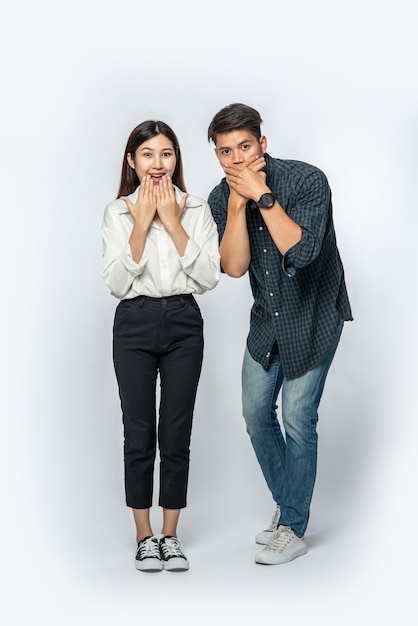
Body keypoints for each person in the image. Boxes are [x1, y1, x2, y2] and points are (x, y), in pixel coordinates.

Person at [207, 103, 352, 565]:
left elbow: (303, 252)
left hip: (314, 314)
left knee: (297, 415)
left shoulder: (308, 180)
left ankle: (291, 526)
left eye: (244, 146)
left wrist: (262, 196)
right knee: (254, 413)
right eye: (225, 152)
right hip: (267, 318)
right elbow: (233, 268)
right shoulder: (218, 196)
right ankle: (289, 502)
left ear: (262, 145)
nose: (236, 159)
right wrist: (235, 206)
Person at [102, 120, 220, 572]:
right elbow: (116, 281)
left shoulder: (197, 209)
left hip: (184, 320)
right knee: (139, 431)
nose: (157, 163)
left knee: (176, 430)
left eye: (166, 153)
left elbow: (207, 277)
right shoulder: (117, 212)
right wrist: (144, 222)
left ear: (176, 159)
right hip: (134, 322)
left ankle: (171, 536)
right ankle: (143, 536)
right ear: (132, 161)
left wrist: (172, 222)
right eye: (147, 154)